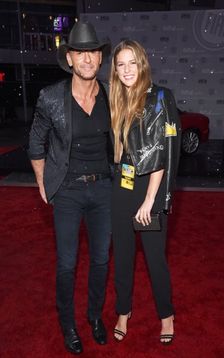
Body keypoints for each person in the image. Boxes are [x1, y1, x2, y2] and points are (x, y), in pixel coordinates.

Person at [28, 21, 113, 355]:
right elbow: (35, 143)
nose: (88, 59)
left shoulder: (109, 94)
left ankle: (94, 316)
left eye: (93, 51)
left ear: (99, 57)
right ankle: (68, 323)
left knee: (101, 260)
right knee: (67, 263)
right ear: (71, 58)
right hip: (67, 190)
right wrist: (42, 184)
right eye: (81, 52)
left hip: (104, 189)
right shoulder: (51, 97)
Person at [109, 40, 181, 345]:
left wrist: (150, 199)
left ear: (142, 64)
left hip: (150, 186)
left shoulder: (161, 98)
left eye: (131, 63)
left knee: (154, 258)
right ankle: (123, 312)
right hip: (123, 185)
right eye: (120, 64)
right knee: (123, 256)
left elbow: (163, 152)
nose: (126, 70)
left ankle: (166, 316)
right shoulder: (117, 99)